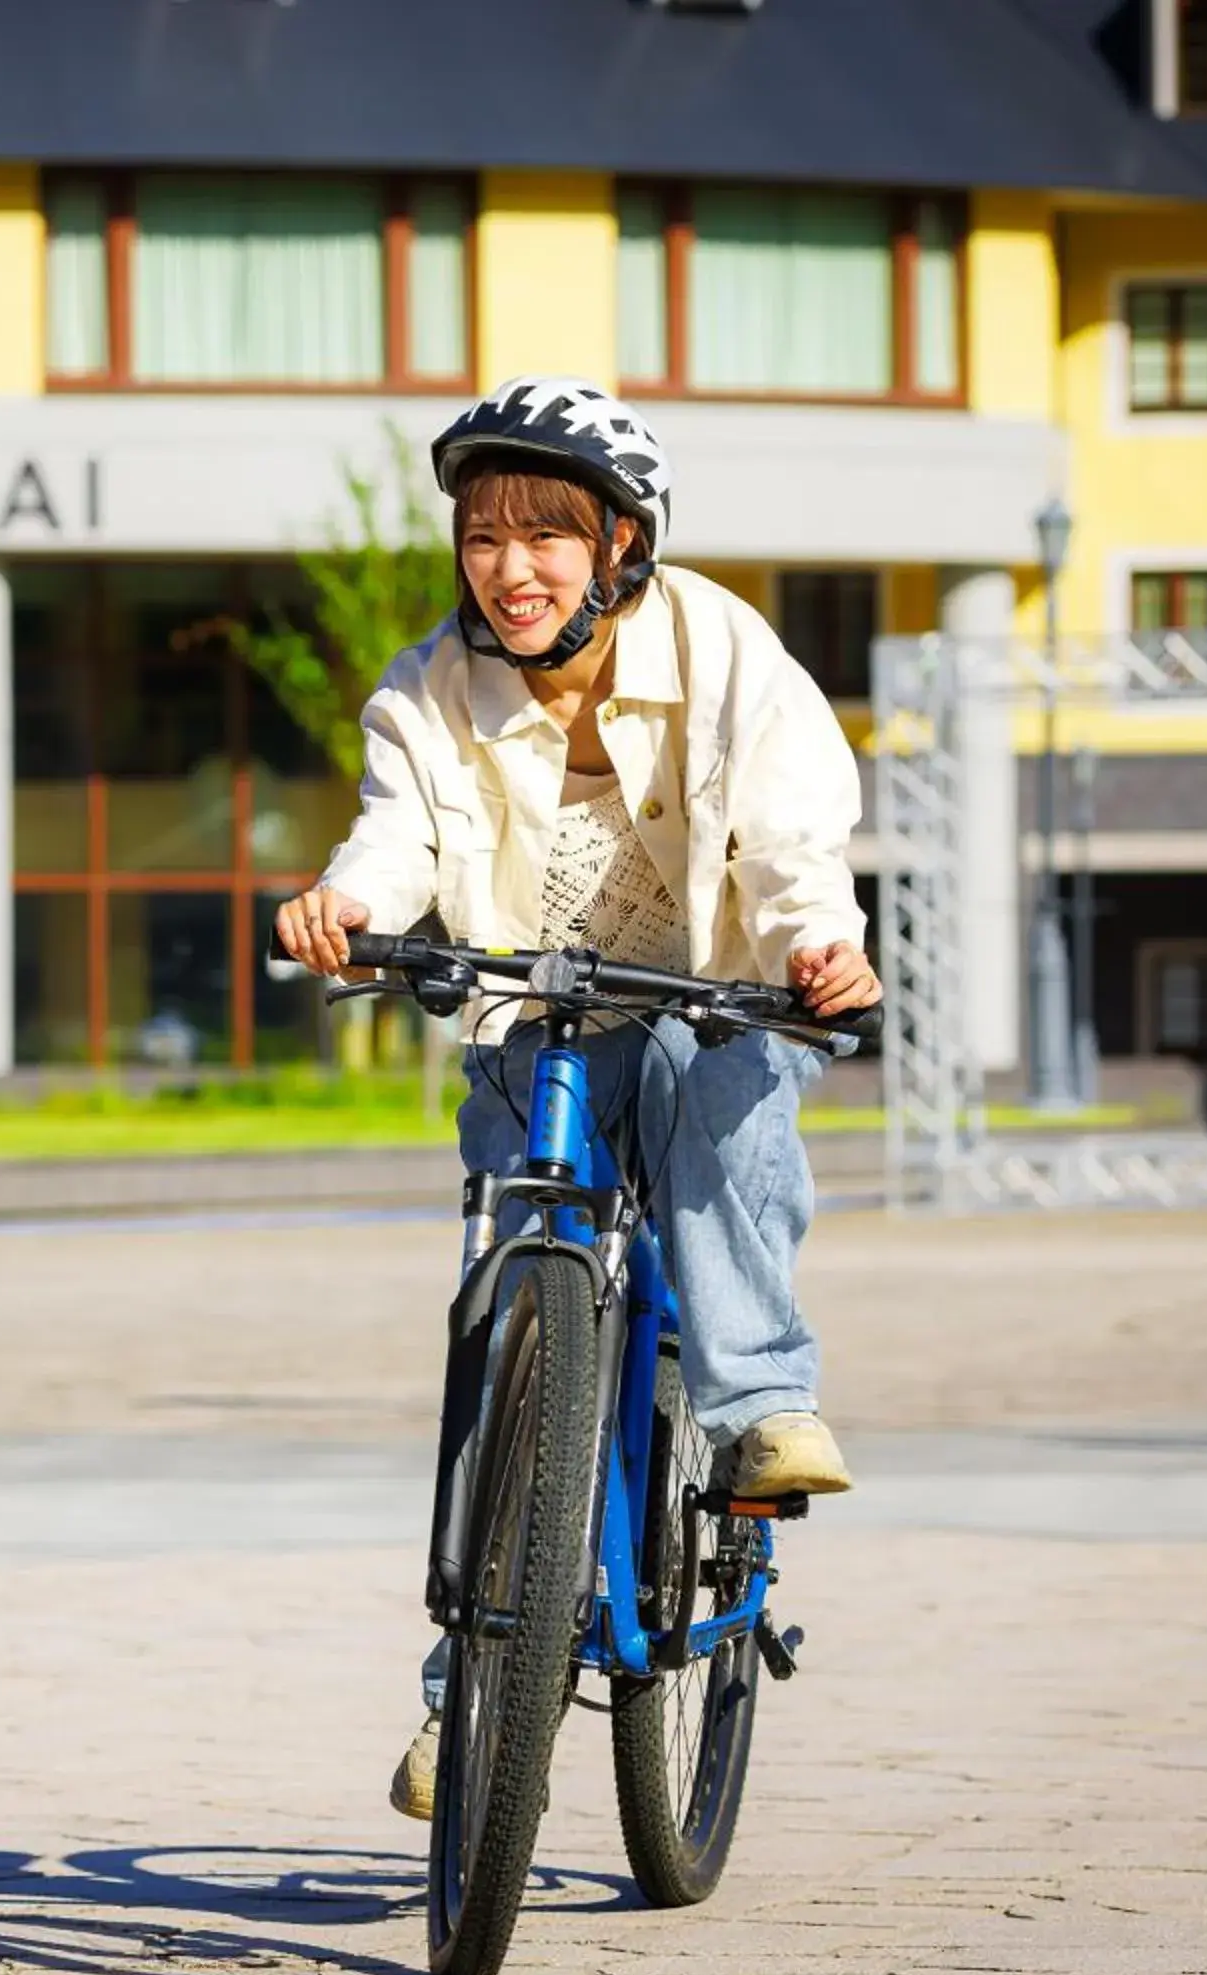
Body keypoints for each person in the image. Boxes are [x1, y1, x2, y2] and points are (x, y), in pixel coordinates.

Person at [270, 375, 878, 1821]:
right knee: (505, 1309)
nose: (513, 565)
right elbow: (395, 831)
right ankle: (477, 1681)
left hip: (709, 996)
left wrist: (813, 938)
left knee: (705, 1090)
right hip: (535, 1016)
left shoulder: (727, 648)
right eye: (485, 534)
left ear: (622, 544)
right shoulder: (426, 690)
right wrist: (345, 907)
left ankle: (755, 1409)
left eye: (549, 533)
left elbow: (795, 824)